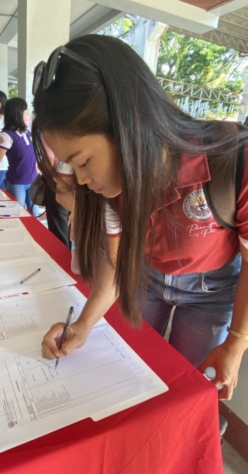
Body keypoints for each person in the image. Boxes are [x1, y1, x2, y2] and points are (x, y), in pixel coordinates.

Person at [32, 35, 248, 402]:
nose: (81, 180)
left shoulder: (232, 161)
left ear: (128, 124)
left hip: (210, 293)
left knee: (190, 389)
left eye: (83, 162)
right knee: (132, 375)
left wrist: (237, 342)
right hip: (144, 276)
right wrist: (83, 325)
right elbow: (116, 267)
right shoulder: (111, 189)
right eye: (72, 165)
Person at [0, 98, 39, 217]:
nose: (28, 115)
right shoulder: (7, 136)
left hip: (33, 181)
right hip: (17, 183)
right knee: (17, 214)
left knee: (34, 214)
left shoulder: (28, 133)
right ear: (18, 114)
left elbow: (33, 157)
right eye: (26, 112)